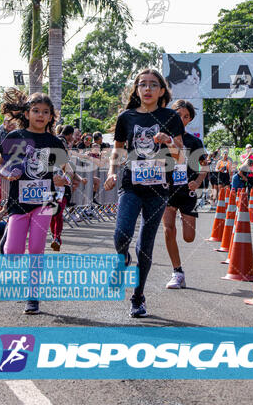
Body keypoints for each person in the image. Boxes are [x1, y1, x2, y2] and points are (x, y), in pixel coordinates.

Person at [104, 69, 184, 318]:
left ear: (162, 91)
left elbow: (181, 155)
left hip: (158, 189)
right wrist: (111, 172)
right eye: (142, 85)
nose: (147, 89)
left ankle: (138, 296)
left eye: (153, 85)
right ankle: (121, 258)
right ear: (136, 90)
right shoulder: (126, 117)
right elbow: (117, 151)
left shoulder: (170, 117)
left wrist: (169, 141)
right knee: (122, 233)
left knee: (145, 246)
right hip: (130, 183)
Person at [0, 88, 69, 314]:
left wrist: (61, 178)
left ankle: (33, 296)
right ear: (26, 113)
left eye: (45, 112)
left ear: (50, 116)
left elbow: (64, 170)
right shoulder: (15, 138)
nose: (40, 115)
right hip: (18, 202)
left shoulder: (53, 141)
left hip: (45, 202)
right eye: (35, 110)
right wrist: (5, 173)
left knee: (37, 248)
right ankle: (8, 236)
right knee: (14, 253)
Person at [162, 99, 208, 289]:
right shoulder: (162, 139)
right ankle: (177, 271)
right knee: (168, 229)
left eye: (186, 116)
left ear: (190, 120)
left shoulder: (194, 141)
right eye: (178, 115)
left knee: (189, 237)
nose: (181, 119)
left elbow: (205, 166)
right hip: (167, 189)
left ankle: (184, 216)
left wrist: (197, 182)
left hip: (187, 191)